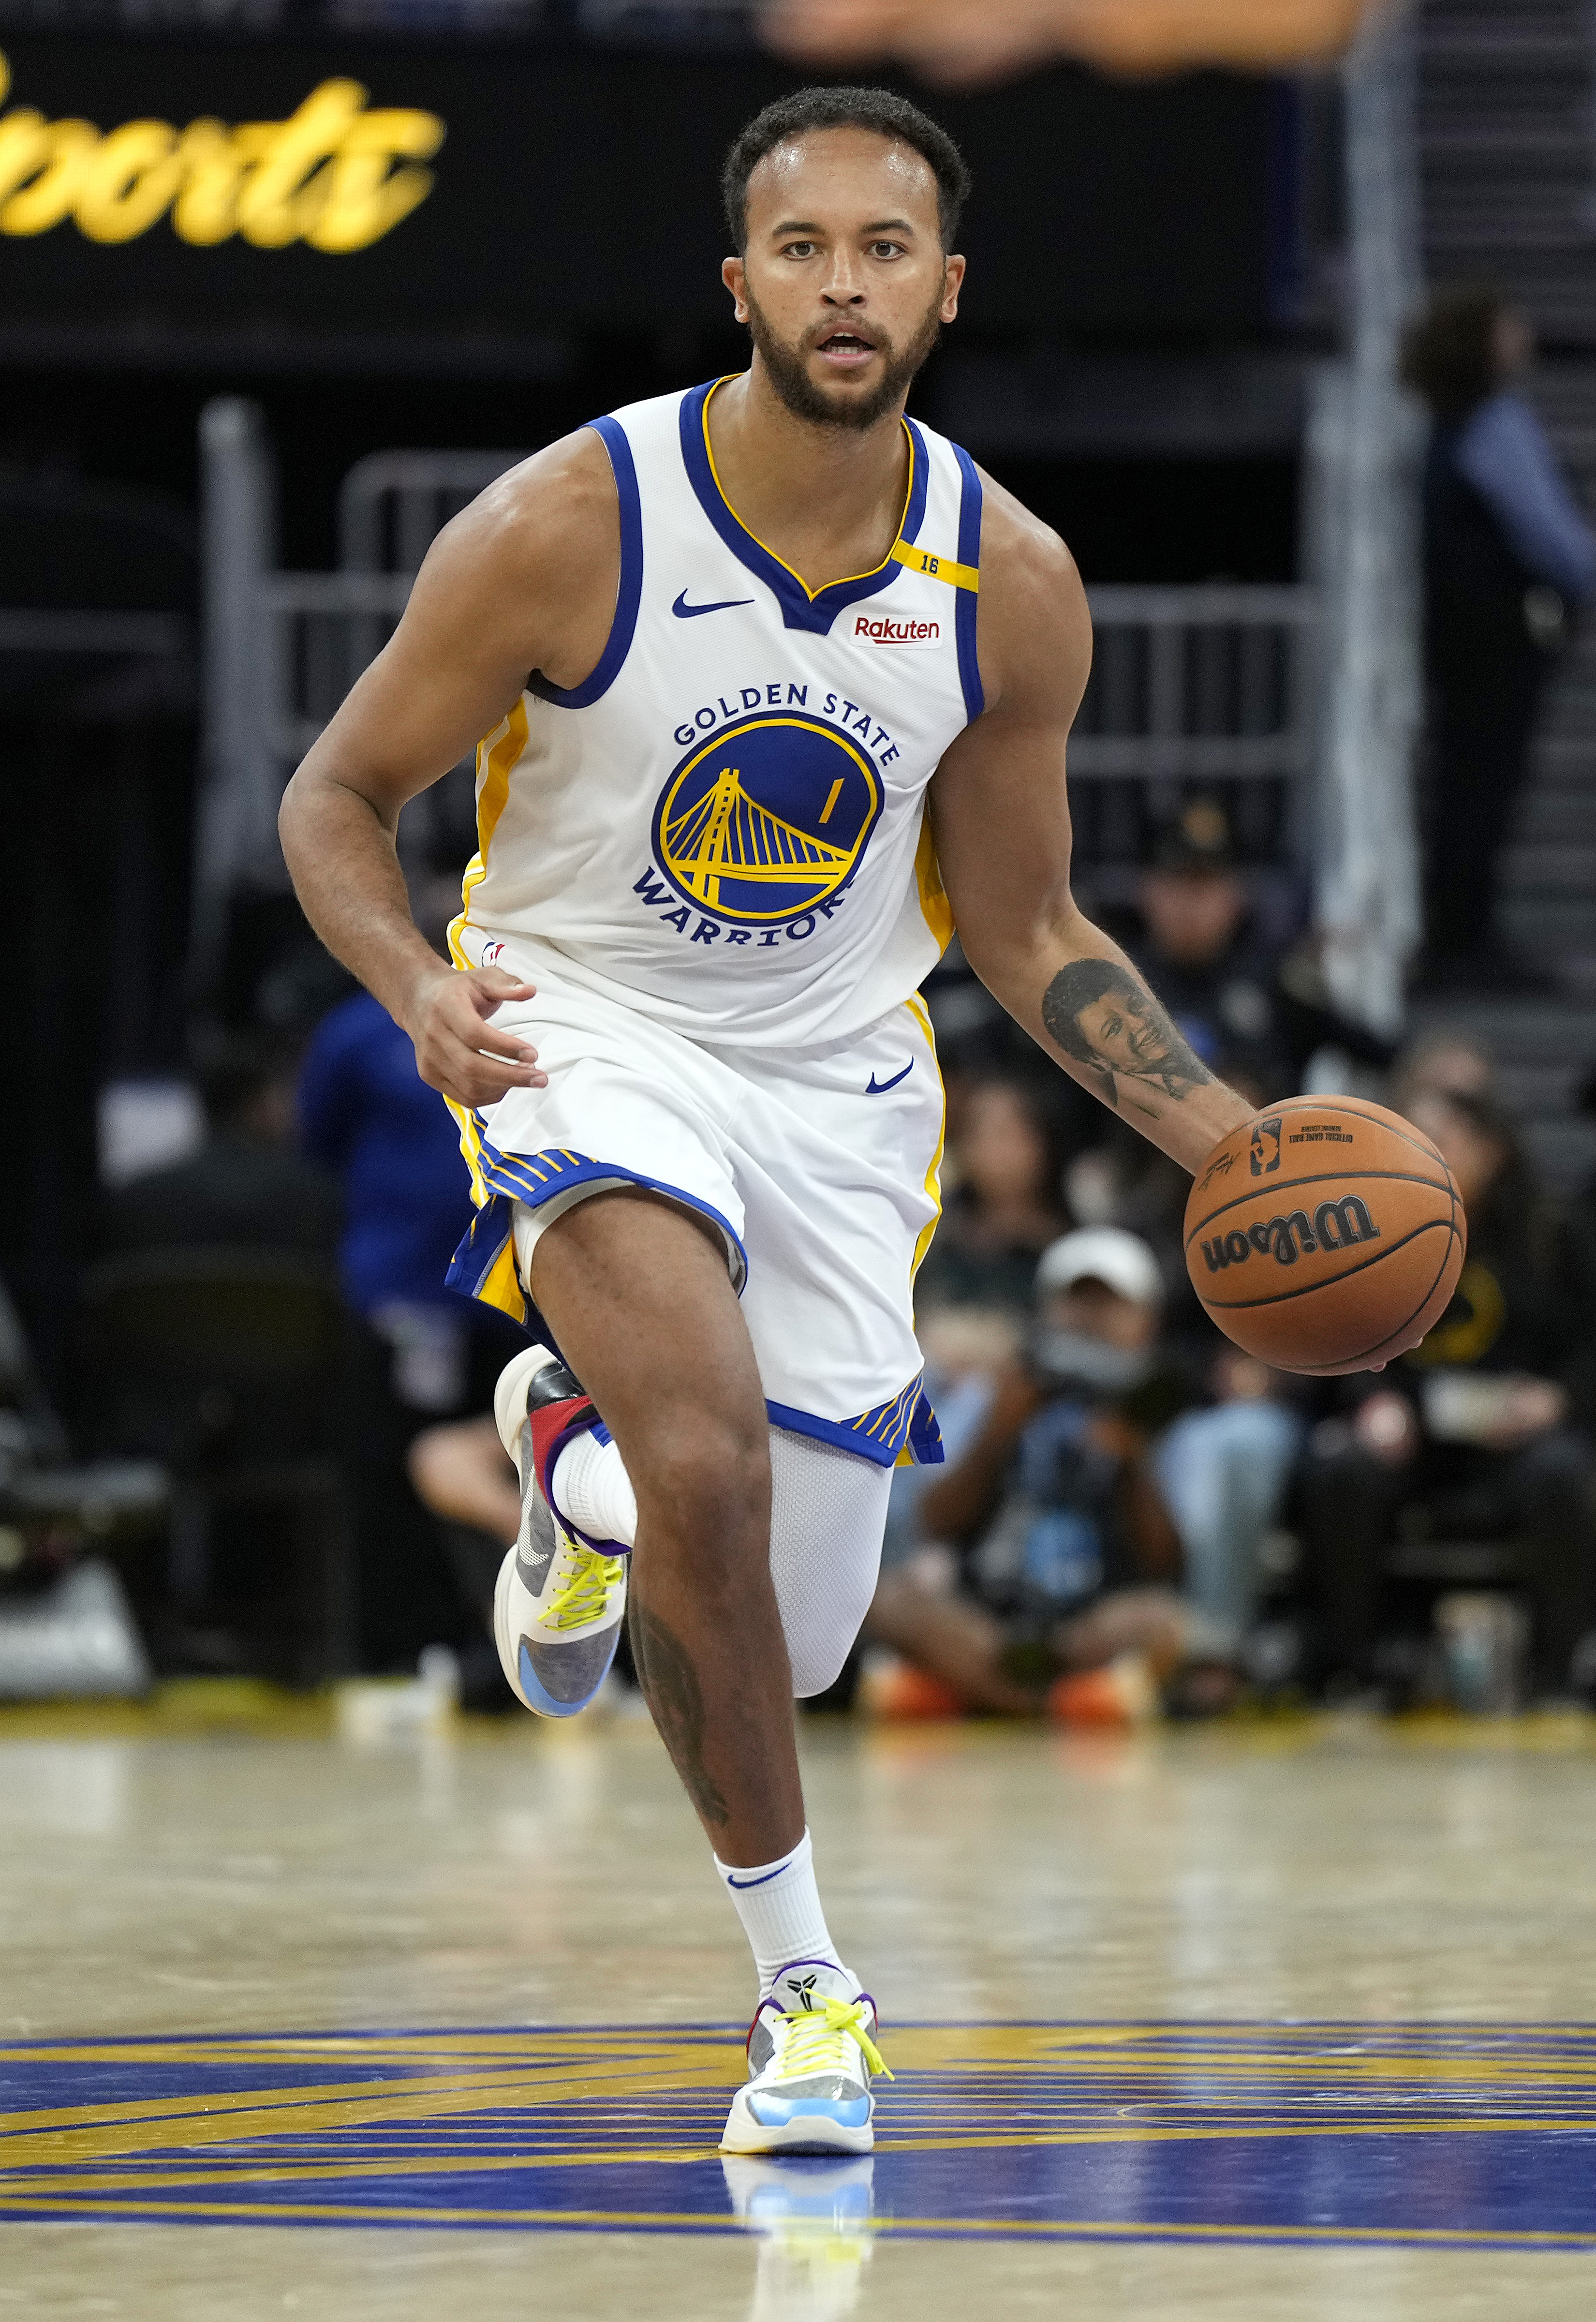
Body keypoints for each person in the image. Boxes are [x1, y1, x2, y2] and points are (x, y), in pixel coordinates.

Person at [278, 87, 1390, 2158]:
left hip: (838, 1084)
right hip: (580, 1033)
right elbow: (331, 800)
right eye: (801, 247)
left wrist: (1232, 1140)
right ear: (739, 282)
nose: (843, 282)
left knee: (774, 1640)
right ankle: (805, 1995)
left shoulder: (1006, 581)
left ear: (944, 288)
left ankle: (561, 1457)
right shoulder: (562, 524)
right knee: (696, 1454)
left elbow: (1031, 923)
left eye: (884, 249)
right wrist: (416, 985)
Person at [869, 1227, 1262, 1717]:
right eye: (1076, 1303)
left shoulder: (1163, 1415)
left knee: (1162, 1623)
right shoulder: (996, 1392)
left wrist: (1132, 1457)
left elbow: (1167, 1562)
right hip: (989, 1616)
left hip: (1094, 1622)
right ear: (1046, 1311)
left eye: (1110, 1305)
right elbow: (935, 1521)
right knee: (891, 1600)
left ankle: (979, 1691)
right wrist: (998, 1432)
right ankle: (1072, 1701)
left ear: (1146, 1322)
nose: (1090, 1321)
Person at [1297, 1088, 1596, 1702]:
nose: (1427, 1153)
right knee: (1342, 1469)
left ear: (1493, 1151)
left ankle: (1558, 1669)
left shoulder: (1551, 1236)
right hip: (1418, 1431)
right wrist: (1373, 1401)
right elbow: (1347, 1334)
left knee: (1563, 1472)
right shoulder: (1371, 1233)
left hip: (1516, 1435)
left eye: (1446, 1138)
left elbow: (1587, 1341)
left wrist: (1559, 1400)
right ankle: (1356, 1664)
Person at [1403, 288, 1596, 990]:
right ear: (1482, 340)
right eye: (1509, 323)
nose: (1526, 332)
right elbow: (1548, 534)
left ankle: (1457, 931)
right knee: (1480, 786)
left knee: (1467, 784)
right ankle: (1462, 938)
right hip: (1494, 641)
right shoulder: (1493, 425)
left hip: (1463, 637)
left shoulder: (1450, 421)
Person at [913, 1075, 1069, 1314]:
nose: (1000, 1152)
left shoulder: (1068, 1235)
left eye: (1010, 1134)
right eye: (986, 1135)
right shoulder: (932, 1228)